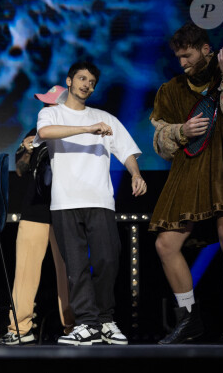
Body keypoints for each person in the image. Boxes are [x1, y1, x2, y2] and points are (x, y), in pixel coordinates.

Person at [35, 62, 147, 346]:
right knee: (76, 266)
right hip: (65, 201)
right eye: (82, 78)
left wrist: (135, 174)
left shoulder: (104, 117)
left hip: (100, 200)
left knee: (107, 259)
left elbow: (127, 149)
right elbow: (45, 134)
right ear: (69, 80)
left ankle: (106, 321)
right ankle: (86, 323)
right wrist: (87, 128)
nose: (87, 84)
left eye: (92, 81)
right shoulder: (51, 113)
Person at [148, 23, 223, 344]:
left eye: (188, 55)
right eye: (178, 57)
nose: (182, 63)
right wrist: (182, 131)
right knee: (165, 245)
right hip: (189, 173)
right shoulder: (171, 90)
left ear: (206, 49)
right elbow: (160, 144)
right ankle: (188, 319)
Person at [0, 85, 74, 345]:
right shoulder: (35, 133)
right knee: (25, 273)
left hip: (67, 210)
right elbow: (20, 170)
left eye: (50, 104)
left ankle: (73, 327)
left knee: (71, 272)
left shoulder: (77, 132)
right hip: (35, 210)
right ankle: (20, 329)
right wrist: (29, 148)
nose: (45, 109)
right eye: (44, 104)